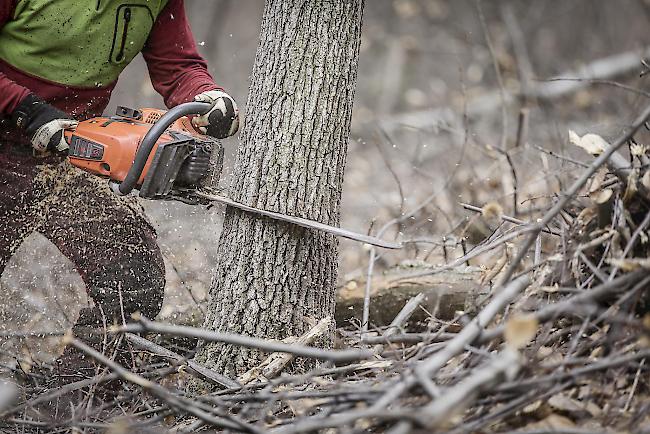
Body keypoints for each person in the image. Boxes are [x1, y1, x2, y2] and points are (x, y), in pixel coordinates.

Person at [0, 0, 239, 330]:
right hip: (7, 137)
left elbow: (177, 66)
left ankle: (85, 380)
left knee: (132, 275)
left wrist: (205, 96)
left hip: (69, 156)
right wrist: (26, 109)